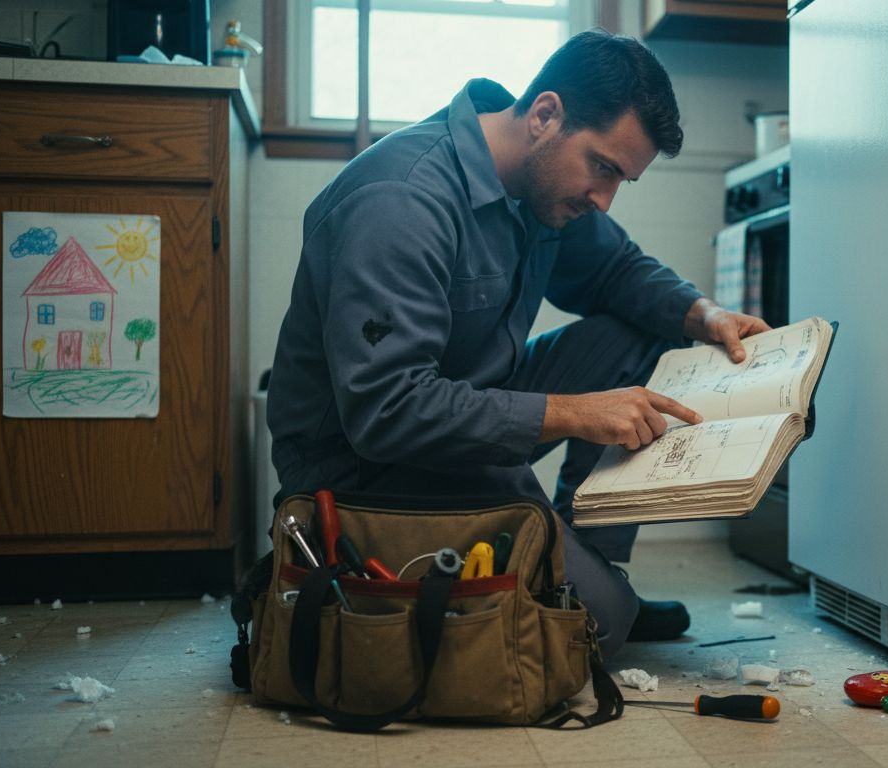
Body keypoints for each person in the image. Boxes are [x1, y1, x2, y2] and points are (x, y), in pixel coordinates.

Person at [266, 29, 770, 659]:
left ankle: (594, 568)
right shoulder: (403, 199)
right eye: (603, 168)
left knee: (639, 326)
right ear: (545, 115)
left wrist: (707, 313)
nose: (604, 198)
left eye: (622, 182)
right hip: (361, 468)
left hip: (464, 416)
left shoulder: (537, 186)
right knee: (598, 629)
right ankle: (589, 590)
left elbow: (617, 273)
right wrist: (575, 412)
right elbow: (385, 411)